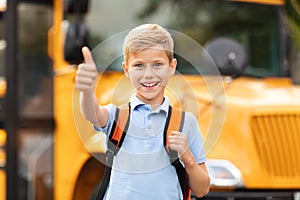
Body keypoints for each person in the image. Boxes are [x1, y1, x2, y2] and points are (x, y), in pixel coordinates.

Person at [75, 23, 210, 200]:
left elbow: (202, 190)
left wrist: (188, 158)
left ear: (172, 67)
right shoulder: (117, 117)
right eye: (139, 65)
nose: (148, 74)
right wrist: (87, 91)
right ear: (126, 70)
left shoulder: (185, 122)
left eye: (157, 65)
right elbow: (93, 114)